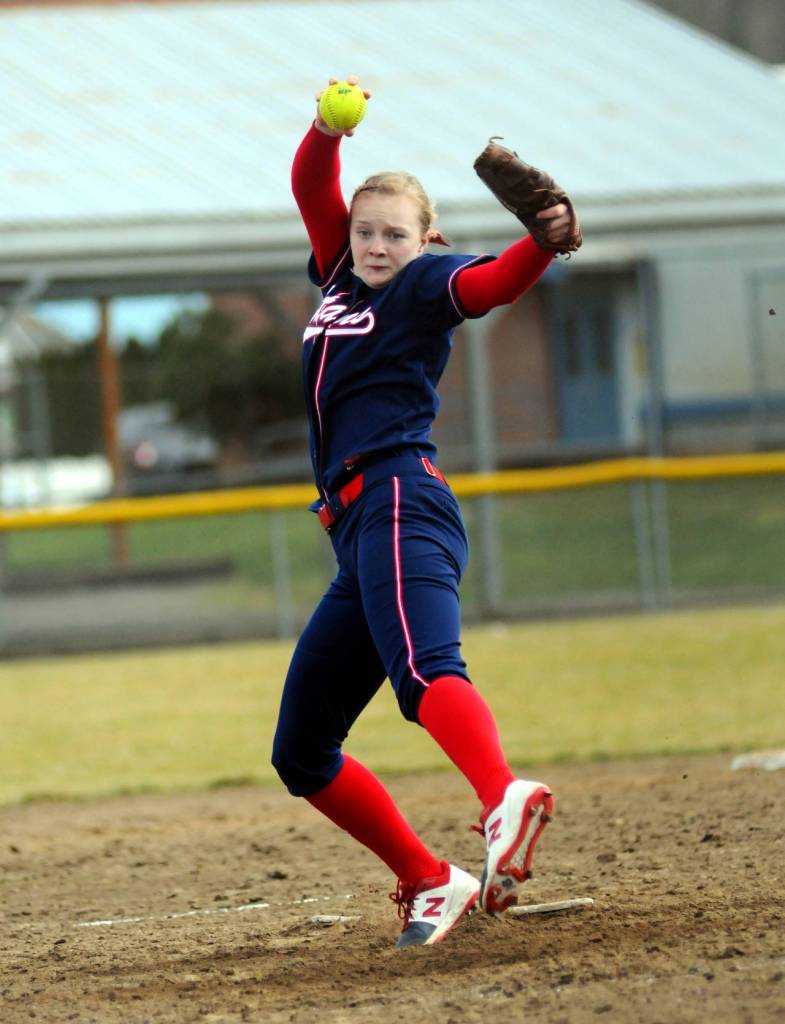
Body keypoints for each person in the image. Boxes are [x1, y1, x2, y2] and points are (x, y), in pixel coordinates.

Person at [272, 76, 573, 949]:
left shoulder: (422, 281)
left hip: (401, 500)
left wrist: (542, 244)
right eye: (365, 230)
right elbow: (310, 190)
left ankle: (501, 799)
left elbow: (489, 288)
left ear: (425, 239)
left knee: (425, 670)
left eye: (392, 233)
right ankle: (428, 879)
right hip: (357, 531)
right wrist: (326, 131)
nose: (374, 243)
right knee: (302, 752)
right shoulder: (340, 272)